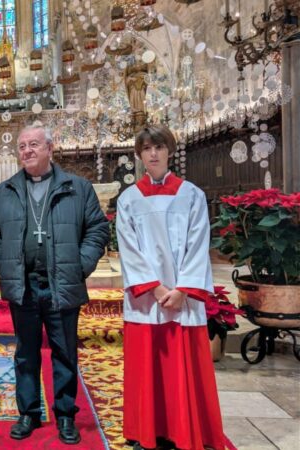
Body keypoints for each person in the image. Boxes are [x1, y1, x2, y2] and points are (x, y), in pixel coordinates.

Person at [0, 126, 108, 444]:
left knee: (64, 353)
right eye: (22, 146)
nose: (26, 151)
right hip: (23, 285)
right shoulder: (5, 191)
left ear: (50, 148)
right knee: (25, 353)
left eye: (34, 145)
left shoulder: (77, 188)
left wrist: (80, 266)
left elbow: (97, 229)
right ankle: (28, 413)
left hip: (61, 284)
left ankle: (65, 415)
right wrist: (2, 262)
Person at [116, 125, 225, 450]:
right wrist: (155, 289)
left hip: (182, 299)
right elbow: (129, 248)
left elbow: (198, 243)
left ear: (169, 151)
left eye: (159, 148)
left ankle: (183, 429)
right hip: (147, 300)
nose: (153, 154)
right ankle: (146, 430)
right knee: (146, 367)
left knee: (181, 367)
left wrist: (181, 290)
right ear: (139, 155)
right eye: (147, 149)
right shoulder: (129, 199)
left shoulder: (190, 194)